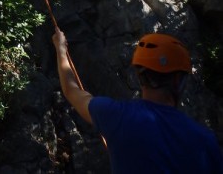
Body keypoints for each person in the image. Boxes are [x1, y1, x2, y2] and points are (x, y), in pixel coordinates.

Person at [52, 28, 223, 174]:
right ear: (179, 80)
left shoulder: (115, 115)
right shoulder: (204, 141)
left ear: (139, 75)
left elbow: (71, 90)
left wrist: (61, 50)